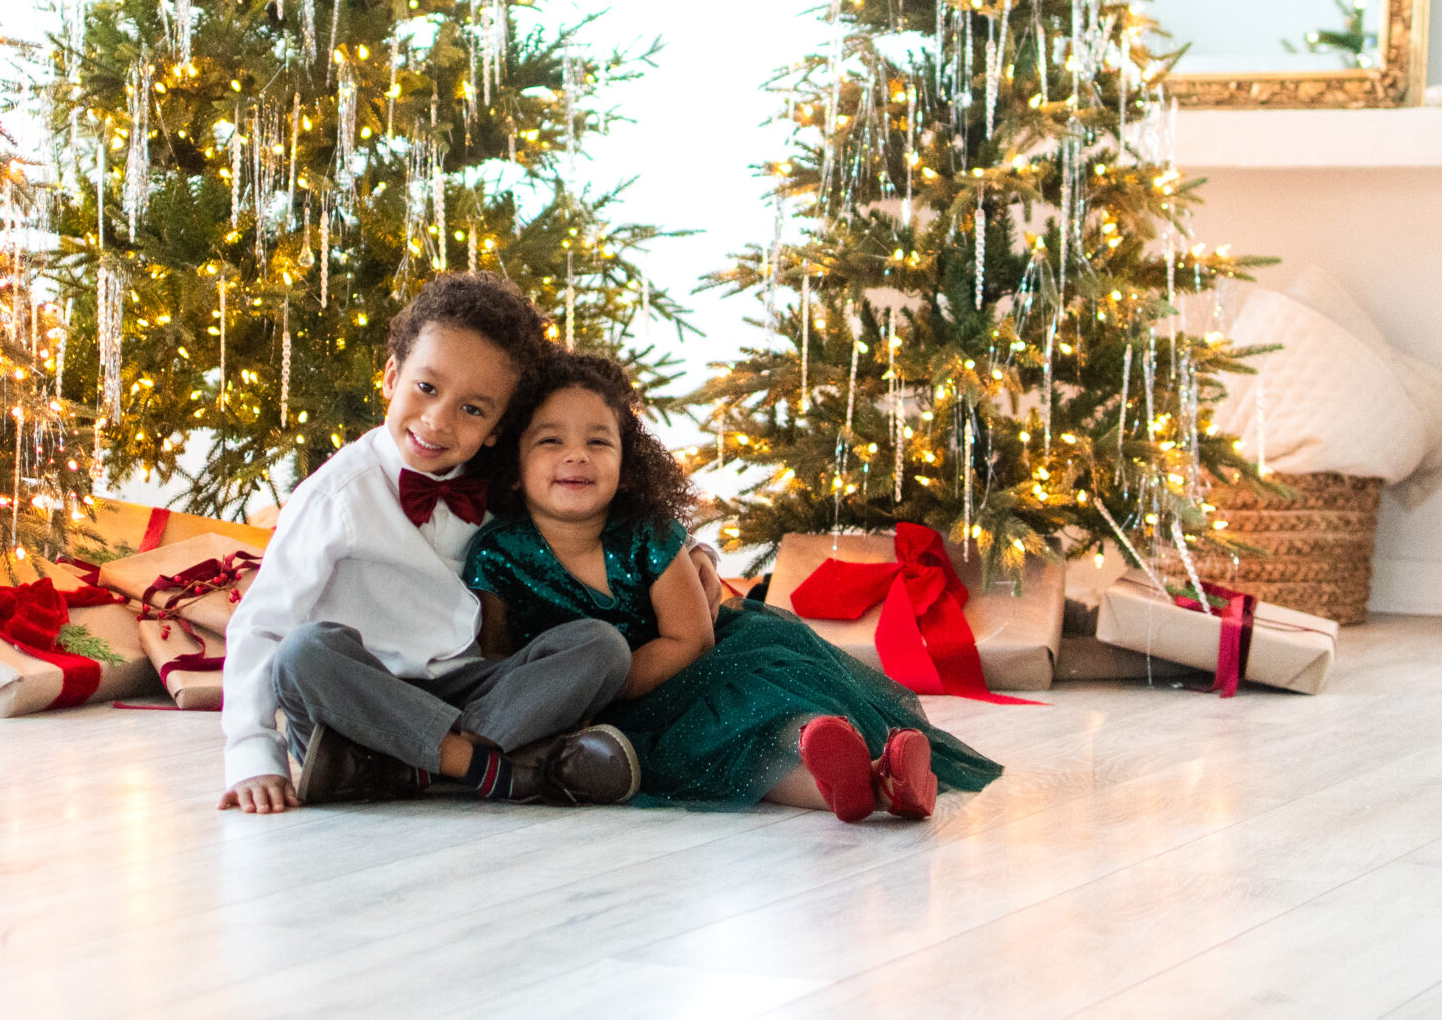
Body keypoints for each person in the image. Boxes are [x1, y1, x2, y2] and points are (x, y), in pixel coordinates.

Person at [463, 351, 1004, 820]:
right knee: (710, 755)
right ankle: (871, 789)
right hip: (583, 713)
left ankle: (857, 759)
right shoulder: (498, 553)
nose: (576, 455)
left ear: (628, 467)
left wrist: (602, 689)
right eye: (550, 441)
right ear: (513, 466)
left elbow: (690, 639)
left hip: (702, 668)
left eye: (598, 442)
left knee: (761, 714)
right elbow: (497, 658)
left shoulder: (646, 534)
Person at [217, 273, 641, 814]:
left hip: (465, 693)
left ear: (495, 427)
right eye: (427, 388)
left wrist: (694, 552)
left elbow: (588, 517)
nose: (438, 420)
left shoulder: (498, 485)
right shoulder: (335, 495)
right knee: (304, 652)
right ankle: (496, 769)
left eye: (473, 409)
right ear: (392, 377)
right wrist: (253, 752)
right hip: (360, 699)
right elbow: (262, 623)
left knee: (601, 646)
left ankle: (412, 763)